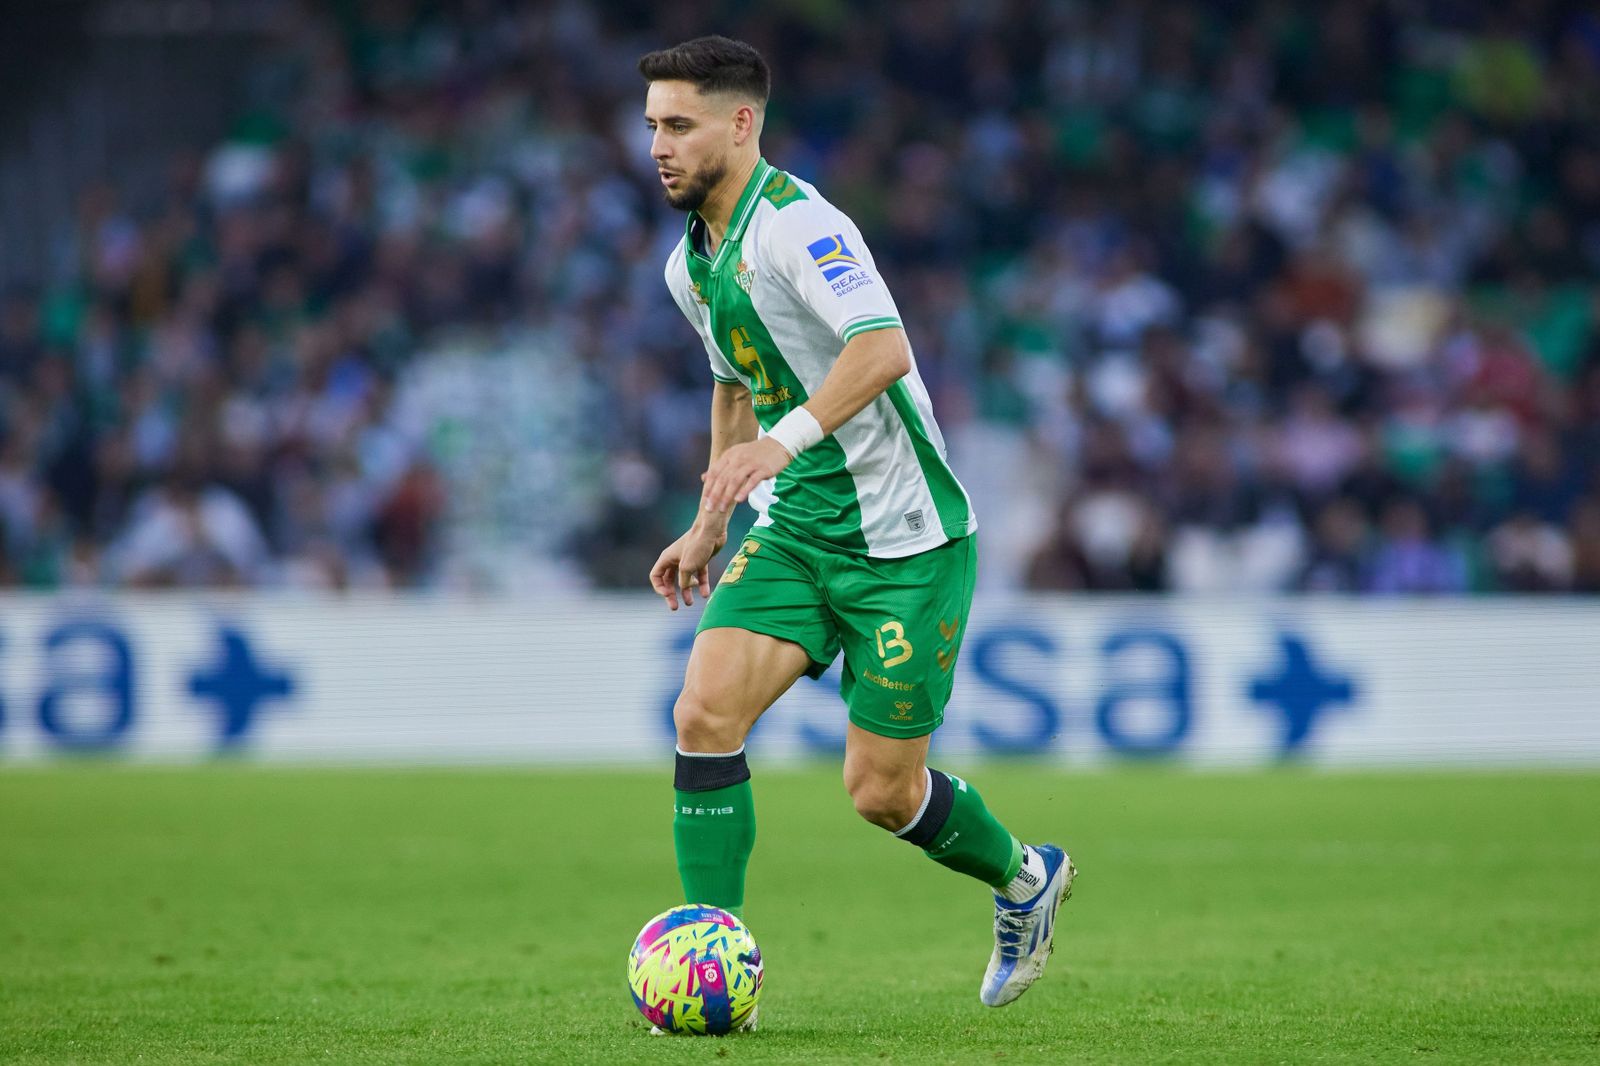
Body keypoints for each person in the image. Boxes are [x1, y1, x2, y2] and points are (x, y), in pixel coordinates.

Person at [641, 35, 1075, 1021]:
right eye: (652, 127)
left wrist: (779, 445)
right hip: (797, 530)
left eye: (679, 125)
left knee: (881, 791)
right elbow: (733, 385)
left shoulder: (800, 226)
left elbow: (881, 349)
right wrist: (710, 518)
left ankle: (1024, 875)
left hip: (906, 539)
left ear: (740, 123)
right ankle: (710, 963)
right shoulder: (689, 265)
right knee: (702, 713)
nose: (659, 146)